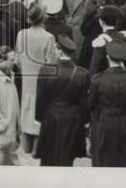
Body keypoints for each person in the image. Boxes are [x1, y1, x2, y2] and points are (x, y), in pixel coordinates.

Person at [34, 34, 89, 166]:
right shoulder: (82, 73)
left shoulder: (46, 70)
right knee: (67, 157)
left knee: (48, 156)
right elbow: (84, 102)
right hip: (72, 118)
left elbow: (40, 97)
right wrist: (85, 121)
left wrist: (39, 117)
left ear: (58, 50)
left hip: (50, 116)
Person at [89, 34, 126, 167]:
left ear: (107, 57)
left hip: (106, 124)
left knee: (105, 160)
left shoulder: (98, 79)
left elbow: (91, 105)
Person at [16, 3, 58, 156]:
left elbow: (17, 60)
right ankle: (38, 147)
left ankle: (26, 145)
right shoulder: (48, 37)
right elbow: (51, 65)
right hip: (42, 80)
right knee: (41, 110)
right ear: (43, 18)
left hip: (26, 77)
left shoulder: (21, 34)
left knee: (27, 108)